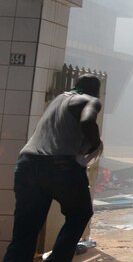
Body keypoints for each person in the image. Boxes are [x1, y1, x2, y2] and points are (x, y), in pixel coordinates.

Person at [3, 74, 103, 262]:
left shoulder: (58, 100)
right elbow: (87, 121)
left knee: (26, 230)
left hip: (27, 164)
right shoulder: (90, 100)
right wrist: (95, 143)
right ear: (96, 90)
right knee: (80, 213)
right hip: (61, 166)